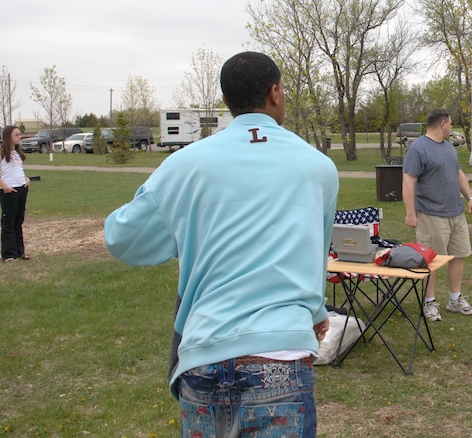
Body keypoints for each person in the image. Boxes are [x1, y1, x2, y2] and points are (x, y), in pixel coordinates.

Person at [104, 52, 339, 437]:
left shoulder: (185, 165)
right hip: (282, 354)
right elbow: (316, 252)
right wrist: (316, 312)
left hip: (204, 355)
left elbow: (121, 236)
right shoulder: (318, 167)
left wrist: (187, 225)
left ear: (227, 101)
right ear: (275, 92)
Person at [402, 109, 472, 322]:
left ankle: (455, 299)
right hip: (431, 214)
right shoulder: (418, 149)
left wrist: (469, 198)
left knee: (458, 255)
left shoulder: (449, 148)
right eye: (451, 123)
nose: (451, 127)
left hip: (456, 212)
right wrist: (410, 213)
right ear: (443, 124)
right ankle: (429, 302)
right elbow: (408, 182)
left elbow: (458, 174)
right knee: (431, 261)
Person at [0, 125, 30, 263]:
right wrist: (5, 187)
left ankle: (20, 251)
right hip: (9, 192)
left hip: (21, 190)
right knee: (8, 222)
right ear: (8, 137)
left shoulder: (17, 153)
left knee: (18, 222)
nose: (19, 137)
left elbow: (17, 170)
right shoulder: (0, 153)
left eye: (20, 135)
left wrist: (26, 179)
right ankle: (9, 254)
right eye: (16, 135)